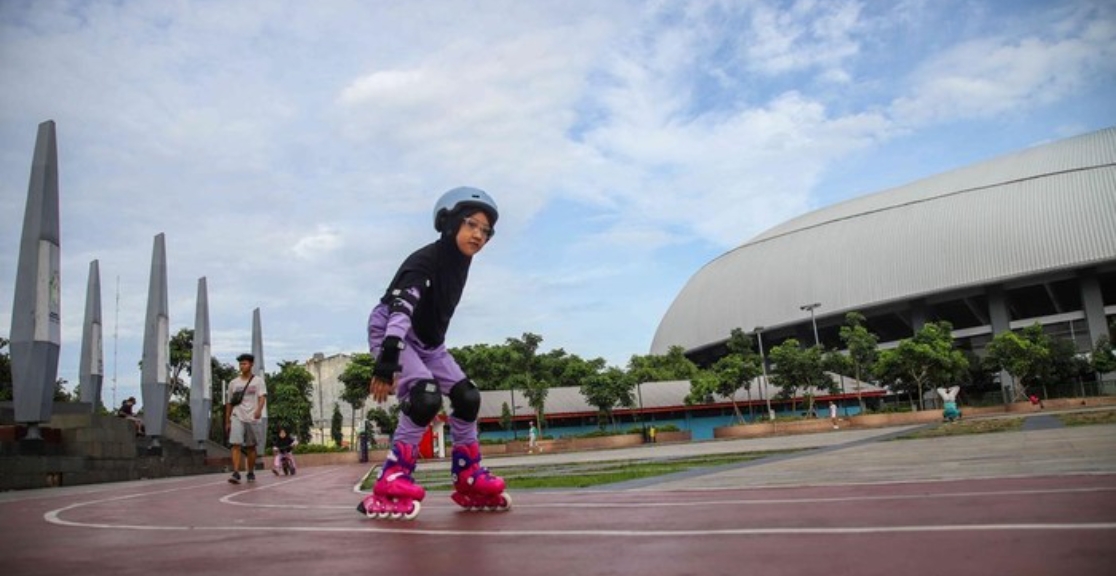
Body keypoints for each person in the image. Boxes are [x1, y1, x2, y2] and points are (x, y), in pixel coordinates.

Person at [357, 187, 509, 521]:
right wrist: (386, 364)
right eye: (471, 225)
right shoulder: (424, 260)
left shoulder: (461, 261)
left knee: (467, 397)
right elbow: (400, 311)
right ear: (449, 223)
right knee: (425, 397)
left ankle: (468, 475)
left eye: (486, 231)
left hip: (430, 342)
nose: (479, 235)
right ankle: (391, 479)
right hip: (393, 330)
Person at [225, 353, 267, 485]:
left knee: (251, 447)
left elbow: (262, 397)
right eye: (240, 364)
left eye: (245, 363)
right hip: (237, 416)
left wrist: (259, 410)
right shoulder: (233, 383)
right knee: (235, 444)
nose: (242, 366)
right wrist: (227, 420)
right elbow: (229, 403)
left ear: (251, 364)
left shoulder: (258, 381)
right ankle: (236, 472)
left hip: (252, 418)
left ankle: (250, 471)